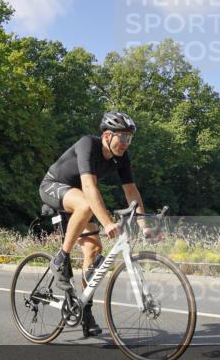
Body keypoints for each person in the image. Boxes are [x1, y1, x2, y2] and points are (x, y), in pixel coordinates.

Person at [38, 112, 153, 338]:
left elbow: (131, 191)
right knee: (86, 204)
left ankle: (84, 310)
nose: (126, 143)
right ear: (107, 136)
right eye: (122, 138)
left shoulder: (121, 158)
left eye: (129, 139)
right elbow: (89, 188)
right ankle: (60, 258)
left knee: (93, 250)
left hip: (79, 196)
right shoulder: (87, 144)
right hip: (53, 186)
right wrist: (107, 223)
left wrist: (144, 225)